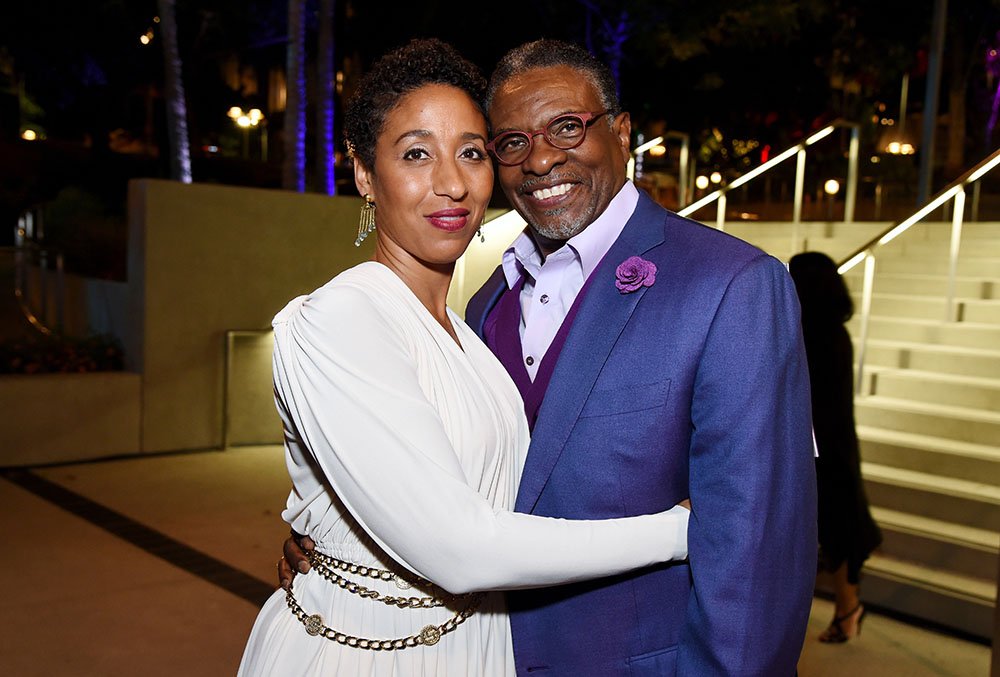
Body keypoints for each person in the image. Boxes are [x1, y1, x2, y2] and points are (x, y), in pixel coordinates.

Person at [283, 38, 817, 675]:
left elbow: (761, 552)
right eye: (510, 141)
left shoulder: (732, 286)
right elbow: (441, 500)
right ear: (366, 174)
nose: (540, 159)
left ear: (621, 133)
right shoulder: (484, 308)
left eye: (566, 127)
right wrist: (341, 538)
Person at [789, 251, 882, 644]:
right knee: (838, 529)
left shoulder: (812, 333)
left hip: (821, 449)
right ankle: (848, 610)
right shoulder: (832, 330)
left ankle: (848, 610)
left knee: (835, 530)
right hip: (834, 443)